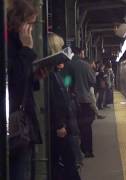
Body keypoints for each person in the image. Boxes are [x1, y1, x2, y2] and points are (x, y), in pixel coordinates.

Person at [7, 1, 45, 179]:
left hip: (21, 123)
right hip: (14, 125)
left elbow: (24, 81)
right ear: (18, 22)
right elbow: (14, 80)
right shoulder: (11, 45)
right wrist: (27, 49)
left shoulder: (17, 44)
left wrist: (36, 76)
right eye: (29, 24)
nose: (31, 29)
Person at [47, 32, 81, 180]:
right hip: (62, 125)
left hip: (65, 123)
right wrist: (60, 124)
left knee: (67, 162)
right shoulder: (52, 74)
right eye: (60, 47)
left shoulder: (56, 72)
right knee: (67, 163)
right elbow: (56, 98)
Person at [69, 47, 96, 157]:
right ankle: (87, 150)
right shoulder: (85, 65)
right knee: (86, 127)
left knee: (72, 127)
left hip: (71, 100)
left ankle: (75, 154)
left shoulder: (67, 64)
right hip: (84, 100)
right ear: (80, 53)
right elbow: (93, 81)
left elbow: (66, 81)